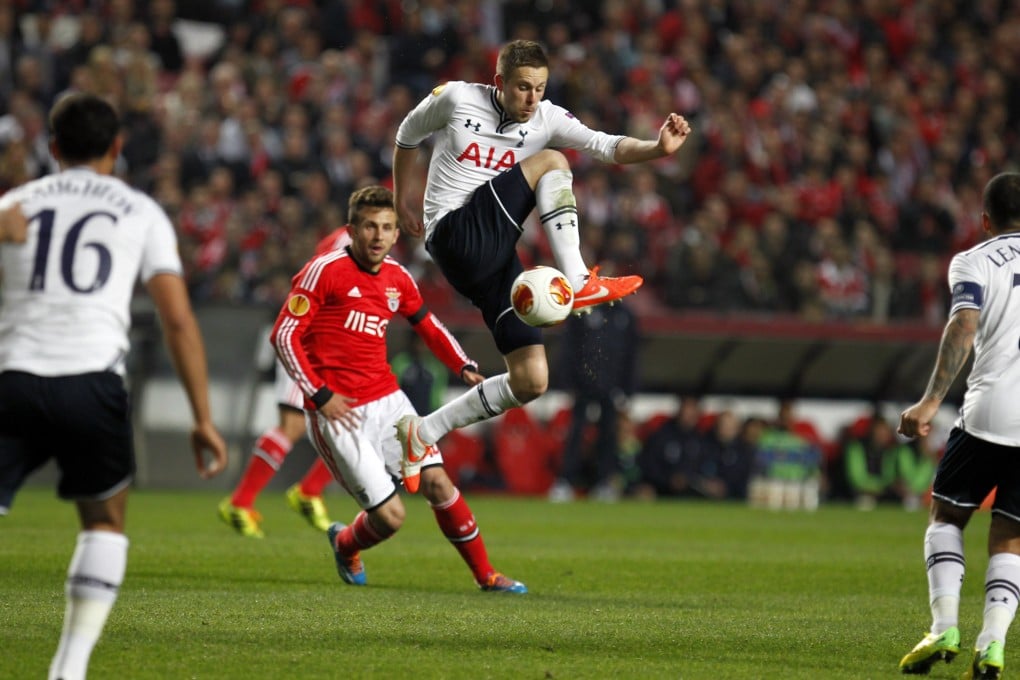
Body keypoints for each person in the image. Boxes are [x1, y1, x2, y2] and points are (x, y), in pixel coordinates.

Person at [391, 39, 692, 492]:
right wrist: (401, 201)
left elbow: (605, 145)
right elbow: (407, 136)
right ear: (499, 82)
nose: (532, 99)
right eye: (522, 88)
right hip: (452, 233)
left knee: (532, 380)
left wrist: (658, 148)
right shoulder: (455, 98)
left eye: (540, 88)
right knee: (551, 161)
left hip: (492, 256)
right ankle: (577, 278)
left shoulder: (546, 117)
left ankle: (423, 431)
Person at [0, 93, 228, 680]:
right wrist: (203, 419)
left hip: (12, 379)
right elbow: (178, 321)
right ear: (118, 148)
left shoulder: (13, 205)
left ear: (53, 147)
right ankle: (68, 668)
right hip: (92, 383)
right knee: (103, 522)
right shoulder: (140, 211)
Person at [270, 185, 526, 593]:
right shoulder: (324, 271)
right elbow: (284, 335)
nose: (378, 236)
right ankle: (345, 543)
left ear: (396, 234)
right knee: (390, 517)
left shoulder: (397, 277)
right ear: (352, 230)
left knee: (439, 483)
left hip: (389, 403)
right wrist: (319, 395)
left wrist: (462, 364)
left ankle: (487, 576)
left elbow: (428, 324)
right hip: (337, 412)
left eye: (387, 227)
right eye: (370, 226)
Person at [897, 172, 1020, 679]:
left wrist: (930, 402)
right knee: (1011, 536)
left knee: (946, 516)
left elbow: (963, 325)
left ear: (985, 219)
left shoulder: (974, 260)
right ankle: (992, 646)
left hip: (991, 412)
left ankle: (944, 626)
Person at [219, 225, 354, 538]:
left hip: (334, 347)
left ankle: (308, 491)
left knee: (354, 421)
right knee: (292, 426)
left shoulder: (358, 237)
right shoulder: (348, 240)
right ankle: (242, 502)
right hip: (308, 341)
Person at [549, 296, 639, 502]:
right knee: (575, 434)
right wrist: (569, 382)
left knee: (608, 436)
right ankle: (566, 481)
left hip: (611, 388)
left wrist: (628, 389)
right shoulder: (583, 309)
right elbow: (569, 346)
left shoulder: (625, 314)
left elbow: (632, 353)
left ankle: (604, 482)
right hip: (583, 387)